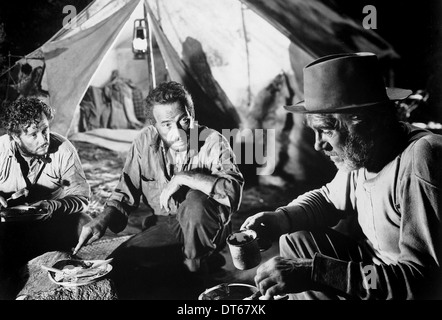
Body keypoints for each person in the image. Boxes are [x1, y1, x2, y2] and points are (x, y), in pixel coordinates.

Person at [241, 52, 442, 300]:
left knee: (304, 268)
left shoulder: (422, 159)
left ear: (364, 122)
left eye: (325, 131)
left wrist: (316, 272)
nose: (317, 145)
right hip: (373, 270)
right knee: (295, 239)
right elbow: (327, 199)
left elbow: (423, 284)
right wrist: (279, 219)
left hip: (401, 284)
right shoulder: (365, 154)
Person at [73, 81, 244, 274]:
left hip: (209, 226)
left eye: (184, 121)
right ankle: (196, 259)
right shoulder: (144, 142)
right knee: (123, 262)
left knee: (196, 200)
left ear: (192, 116)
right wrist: (102, 219)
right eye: (167, 125)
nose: (178, 133)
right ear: (154, 125)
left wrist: (184, 177)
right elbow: (125, 191)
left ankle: (195, 264)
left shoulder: (213, 141)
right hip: (168, 223)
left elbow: (232, 191)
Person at [0, 97, 91, 298]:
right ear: (15, 137)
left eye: (45, 130)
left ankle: (73, 275)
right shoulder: (0, 150)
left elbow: (81, 196)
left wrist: (54, 205)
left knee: (86, 222)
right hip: (7, 226)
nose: (43, 139)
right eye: (33, 134)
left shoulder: (63, 148)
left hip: (51, 221)